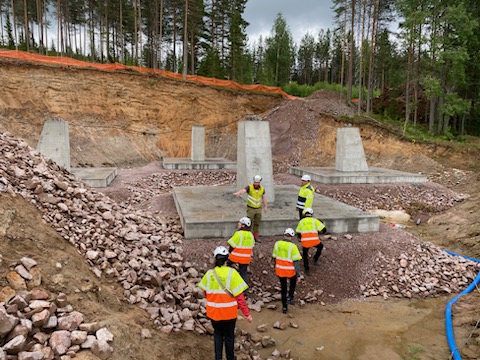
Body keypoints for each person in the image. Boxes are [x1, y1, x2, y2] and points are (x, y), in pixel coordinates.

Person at [198, 246, 253, 360]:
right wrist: (247, 314)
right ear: (227, 259)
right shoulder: (232, 273)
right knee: (229, 337)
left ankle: (218, 358)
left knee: (218, 335)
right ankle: (230, 358)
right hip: (229, 313)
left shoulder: (209, 274)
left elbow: (205, 291)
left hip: (214, 313)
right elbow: (240, 298)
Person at [272, 228, 302, 314]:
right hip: (290, 271)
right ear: (292, 237)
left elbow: (274, 257)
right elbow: (296, 262)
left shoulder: (277, 244)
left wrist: (276, 266)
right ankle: (290, 297)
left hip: (280, 270)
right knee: (293, 283)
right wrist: (298, 275)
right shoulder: (293, 247)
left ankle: (284, 307)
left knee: (283, 288)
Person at [233, 174, 268, 241]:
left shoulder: (262, 189)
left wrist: (265, 206)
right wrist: (239, 193)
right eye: (255, 182)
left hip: (258, 208)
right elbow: (244, 190)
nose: (256, 184)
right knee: (249, 223)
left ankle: (256, 237)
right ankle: (248, 237)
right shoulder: (250, 187)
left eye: (257, 182)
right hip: (251, 209)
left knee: (257, 223)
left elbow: (263, 198)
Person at [295, 208, 327, 275]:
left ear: (304, 214)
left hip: (305, 242)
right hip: (314, 240)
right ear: (311, 214)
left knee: (305, 255)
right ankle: (315, 259)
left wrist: (300, 238)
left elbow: (298, 232)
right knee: (320, 247)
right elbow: (324, 229)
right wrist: (318, 233)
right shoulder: (315, 221)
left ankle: (307, 269)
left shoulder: (301, 222)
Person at [227, 217, 255, 285]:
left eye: (240, 223)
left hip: (235, 257)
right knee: (243, 273)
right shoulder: (250, 235)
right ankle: (244, 291)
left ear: (243, 225)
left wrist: (229, 253)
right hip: (245, 259)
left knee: (225, 266)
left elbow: (232, 245)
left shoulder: (238, 234)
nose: (238, 224)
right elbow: (252, 245)